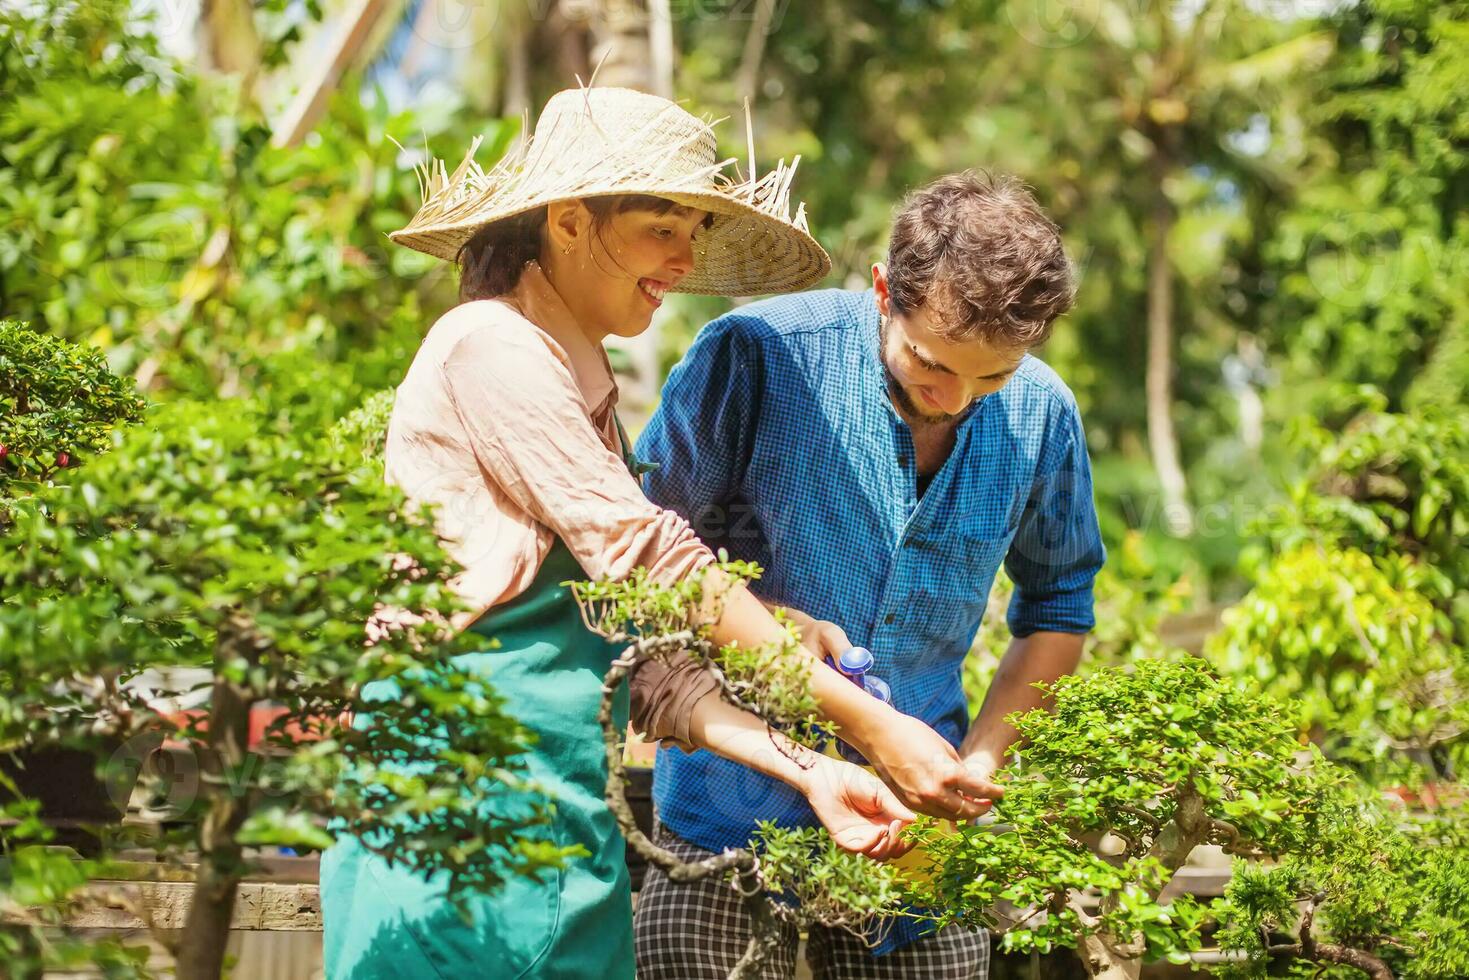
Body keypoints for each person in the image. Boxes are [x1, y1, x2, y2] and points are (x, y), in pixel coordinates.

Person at [320, 86, 977, 980]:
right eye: (660, 223)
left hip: (556, 826)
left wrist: (807, 767)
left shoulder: (581, 396)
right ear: (567, 222)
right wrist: (864, 724)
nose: (684, 255)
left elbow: (651, 664)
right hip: (455, 814)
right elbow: (647, 558)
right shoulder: (489, 344)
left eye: (696, 229)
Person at [634, 171, 1106, 980]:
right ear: (885, 289)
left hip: (915, 862)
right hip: (725, 823)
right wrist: (774, 618)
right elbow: (639, 555)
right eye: (930, 363)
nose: (953, 398)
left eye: (988, 377)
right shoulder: (758, 355)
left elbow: (1058, 608)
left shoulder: (1043, 412)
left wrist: (977, 769)